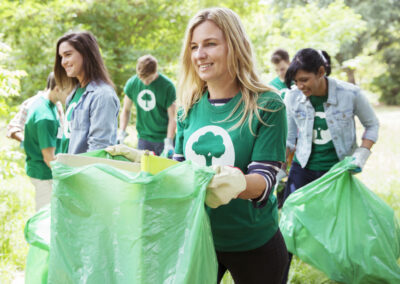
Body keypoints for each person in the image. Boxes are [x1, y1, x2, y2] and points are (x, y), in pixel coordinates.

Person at [281, 48, 379, 283]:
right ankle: (278, 278)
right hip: (302, 170)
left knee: (342, 231)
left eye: (304, 80)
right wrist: (279, 172)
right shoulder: (292, 98)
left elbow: (372, 125)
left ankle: (347, 276)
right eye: (296, 81)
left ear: (321, 72)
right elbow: (289, 140)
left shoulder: (350, 94)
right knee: (287, 227)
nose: (300, 86)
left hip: (336, 172)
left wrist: (360, 157)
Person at [54, 31, 120, 154]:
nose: (63, 62)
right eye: (61, 57)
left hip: (84, 172)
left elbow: (98, 150)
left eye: (68, 54)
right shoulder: (74, 94)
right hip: (67, 170)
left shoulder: (102, 96)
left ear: (86, 54)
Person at [23, 72, 67, 211]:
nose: (71, 94)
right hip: (44, 174)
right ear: (58, 88)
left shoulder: (47, 103)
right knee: (45, 216)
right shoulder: (45, 117)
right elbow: (49, 159)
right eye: (69, 90)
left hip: (44, 171)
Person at [118, 55, 176, 156]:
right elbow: (126, 110)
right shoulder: (133, 84)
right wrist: (121, 133)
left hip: (163, 139)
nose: (145, 82)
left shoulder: (167, 86)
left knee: (165, 170)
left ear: (155, 72)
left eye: (149, 79)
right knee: (142, 170)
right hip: (143, 139)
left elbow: (173, 117)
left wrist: (169, 142)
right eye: (142, 79)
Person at [6, 78, 64, 146]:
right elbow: (13, 127)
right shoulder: (31, 103)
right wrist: (29, 144)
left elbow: (62, 129)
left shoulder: (58, 105)